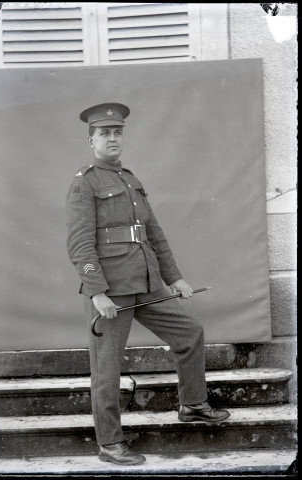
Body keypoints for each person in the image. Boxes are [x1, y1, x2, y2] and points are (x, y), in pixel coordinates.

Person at [66, 103, 230, 466]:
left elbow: (153, 233)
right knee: (107, 369)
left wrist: (174, 278)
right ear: (90, 139)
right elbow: (79, 243)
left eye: (117, 132)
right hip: (111, 291)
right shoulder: (85, 182)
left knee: (189, 333)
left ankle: (192, 403)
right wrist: (96, 292)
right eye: (104, 133)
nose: (112, 138)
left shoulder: (129, 178)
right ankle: (110, 444)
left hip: (146, 282)